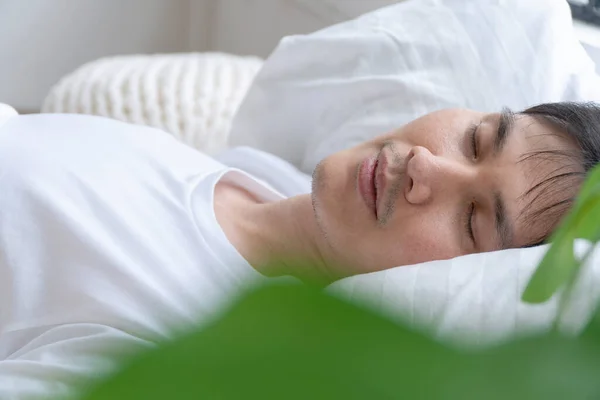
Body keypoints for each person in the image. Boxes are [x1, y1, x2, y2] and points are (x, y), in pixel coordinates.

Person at [0, 101, 598, 399]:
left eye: (472, 222)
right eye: (476, 139)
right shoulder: (258, 175)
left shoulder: (179, 338)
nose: (426, 165)